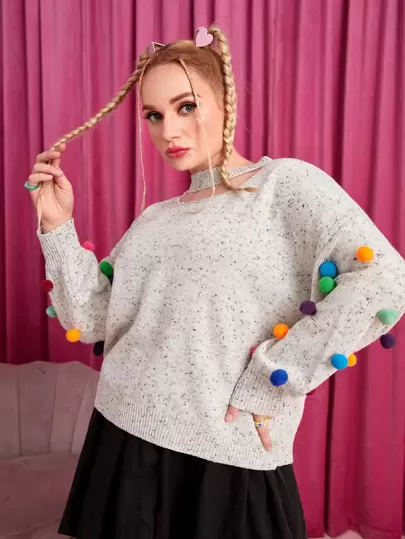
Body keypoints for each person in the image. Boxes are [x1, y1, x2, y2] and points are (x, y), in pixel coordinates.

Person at [26, 26, 405, 539]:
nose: (168, 130)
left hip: (227, 450)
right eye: (154, 116)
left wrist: (273, 379)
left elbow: (386, 279)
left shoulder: (283, 185)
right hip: (120, 437)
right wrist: (56, 226)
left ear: (225, 101)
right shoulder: (155, 220)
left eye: (185, 107)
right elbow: (90, 319)